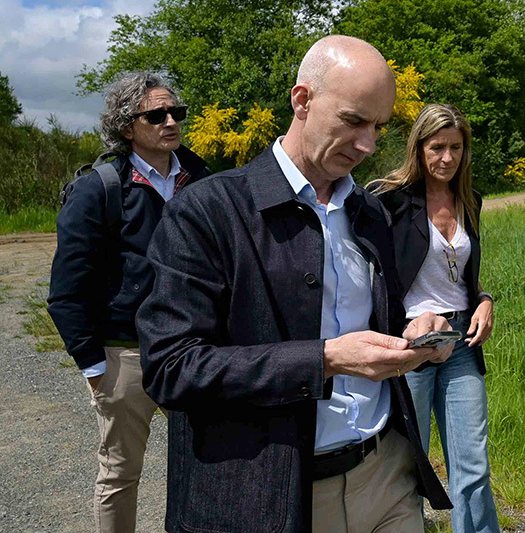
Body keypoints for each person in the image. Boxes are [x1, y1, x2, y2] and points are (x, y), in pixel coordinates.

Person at [137, 35, 453, 533]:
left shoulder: (368, 211)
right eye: (353, 121)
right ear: (301, 100)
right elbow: (172, 369)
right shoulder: (206, 212)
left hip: (387, 477)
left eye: (378, 126)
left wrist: (414, 330)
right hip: (275, 494)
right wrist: (324, 359)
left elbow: (371, 322)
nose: (368, 145)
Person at [48, 72, 211, 533]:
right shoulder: (98, 188)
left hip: (194, 351)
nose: (170, 121)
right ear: (126, 127)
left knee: (208, 465)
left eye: (175, 112)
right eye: (155, 115)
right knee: (120, 474)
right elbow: (67, 288)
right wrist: (93, 366)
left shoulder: (203, 180)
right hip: (125, 356)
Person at [371, 103, 500, 533]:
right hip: (411, 341)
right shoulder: (387, 201)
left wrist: (484, 300)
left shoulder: (470, 200)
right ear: (419, 148)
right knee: (410, 462)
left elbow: (466, 276)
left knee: (473, 465)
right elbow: (372, 277)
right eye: (437, 147)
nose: (447, 158)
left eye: (456, 148)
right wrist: (401, 324)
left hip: (461, 339)